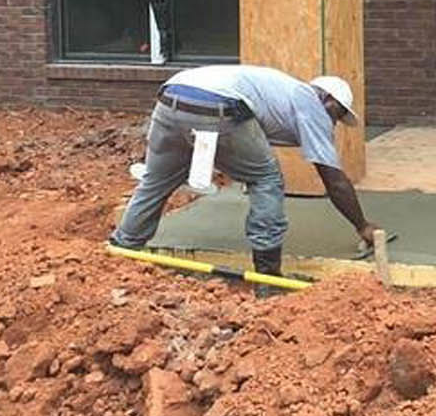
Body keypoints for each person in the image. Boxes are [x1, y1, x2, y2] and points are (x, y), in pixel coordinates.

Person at [107, 64, 386, 276]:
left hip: (171, 96)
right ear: (328, 100)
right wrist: (362, 225)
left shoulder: (281, 90)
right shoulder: (311, 103)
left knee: (157, 180)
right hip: (219, 103)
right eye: (337, 115)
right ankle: (268, 277)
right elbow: (333, 180)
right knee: (266, 178)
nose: (333, 123)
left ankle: (122, 251)